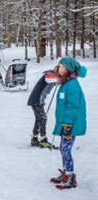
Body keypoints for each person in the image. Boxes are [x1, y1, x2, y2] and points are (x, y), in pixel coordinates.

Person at [50, 56, 87, 190]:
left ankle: (71, 177)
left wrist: (68, 124)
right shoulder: (65, 83)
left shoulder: (72, 85)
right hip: (65, 123)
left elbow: (73, 106)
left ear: (69, 69)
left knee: (65, 149)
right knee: (63, 148)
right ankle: (66, 173)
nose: (60, 68)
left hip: (69, 125)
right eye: (59, 66)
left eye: (63, 67)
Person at [27, 70, 57, 148]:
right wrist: (59, 78)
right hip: (37, 100)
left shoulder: (53, 76)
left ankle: (34, 138)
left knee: (38, 118)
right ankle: (43, 139)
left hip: (37, 100)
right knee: (43, 118)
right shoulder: (49, 75)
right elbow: (49, 79)